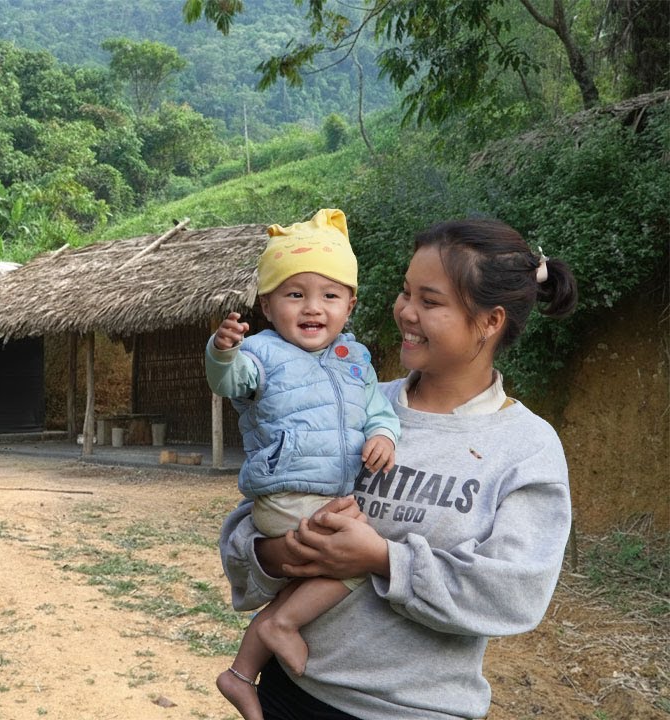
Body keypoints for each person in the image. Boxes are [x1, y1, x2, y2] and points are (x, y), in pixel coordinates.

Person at [217, 217, 577, 719]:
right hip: (289, 692)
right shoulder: (353, 400)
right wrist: (280, 553)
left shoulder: (525, 446)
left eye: (430, 302)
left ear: (491, 321)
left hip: (415, 710)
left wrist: (384, 559)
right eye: (406, 293)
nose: (405, 312)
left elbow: (513, 595)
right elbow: (245, 531)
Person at [206, 208, 401, 719]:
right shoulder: (260, 354)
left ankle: (242, 671)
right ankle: (278, 627)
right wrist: (222, 353)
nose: (313, 307)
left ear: (350, 304)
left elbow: (377, 408)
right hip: (286, 494)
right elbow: (230, 381)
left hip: (328, 494)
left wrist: (383, 434)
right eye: (295, 294)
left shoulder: (355, 358)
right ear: (268, 305)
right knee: (358, 559)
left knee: (339, 559)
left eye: (330, 295)